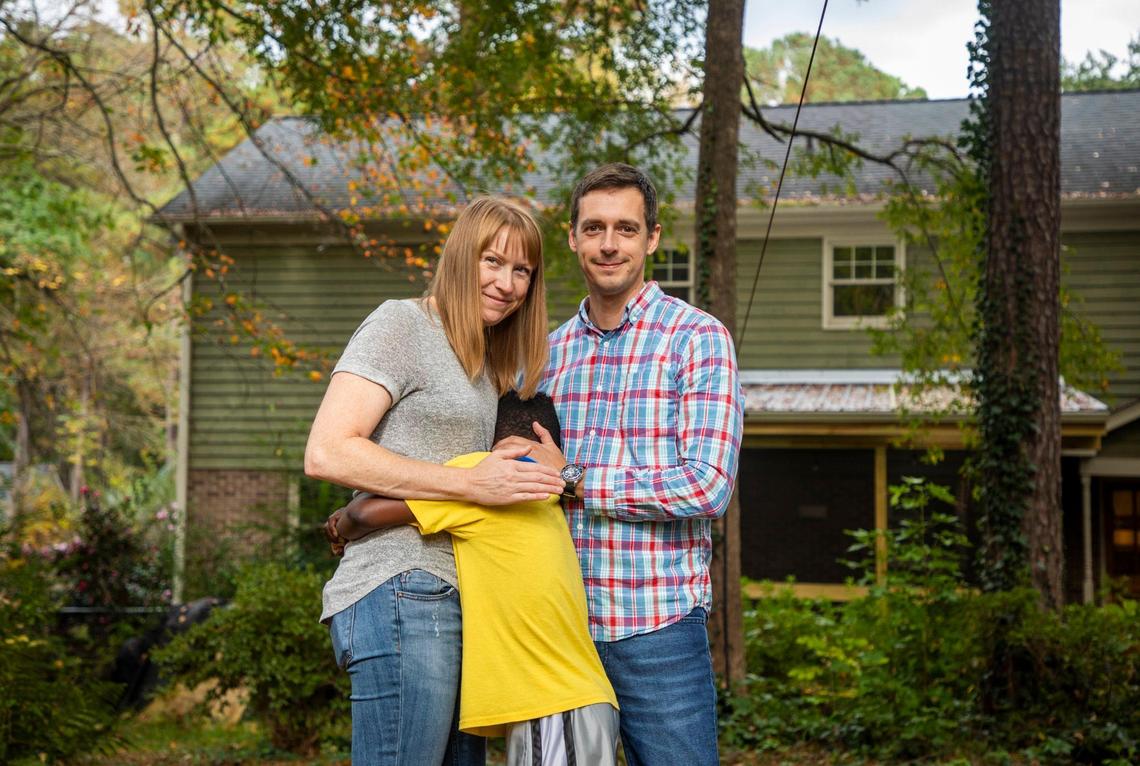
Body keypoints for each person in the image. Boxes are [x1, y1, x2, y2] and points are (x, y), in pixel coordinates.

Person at [496, 163, 744, 766]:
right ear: (574, 237)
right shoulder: (543, 354)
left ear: (652, 238)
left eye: (626, 229)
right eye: (595, 228)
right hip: (559, 633)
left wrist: (573, 480)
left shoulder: (698, 339)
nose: (610, 244)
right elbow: (511, 475)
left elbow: (708, 486)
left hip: (658, 630)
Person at [304, 196, 565, 766]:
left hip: (462, 595)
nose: (506, 282)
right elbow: (328, 451)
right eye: (491, 261)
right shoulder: (403, 324)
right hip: (403, 587)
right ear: (458, 257)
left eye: (522, 270)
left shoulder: (483, 366)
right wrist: (469, 485)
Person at [325, 391, 620, 766]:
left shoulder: (491, 485)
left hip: (555, 704)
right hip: (569, 701)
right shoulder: (547, 501)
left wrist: (339, 524)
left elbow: (366, 514)